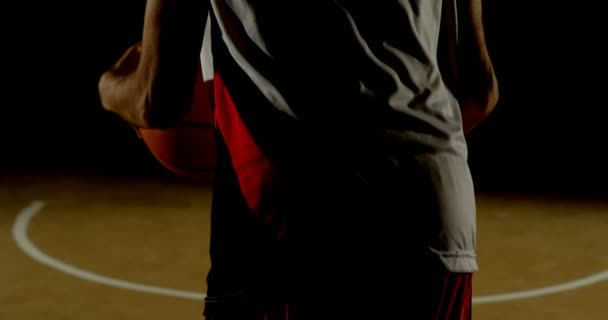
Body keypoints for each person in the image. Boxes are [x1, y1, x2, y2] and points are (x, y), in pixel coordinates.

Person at [98, 0, 498, 319]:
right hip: (433, 219)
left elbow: (157, 99)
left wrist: (109, 87)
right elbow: (478, 93)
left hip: (289, 235)